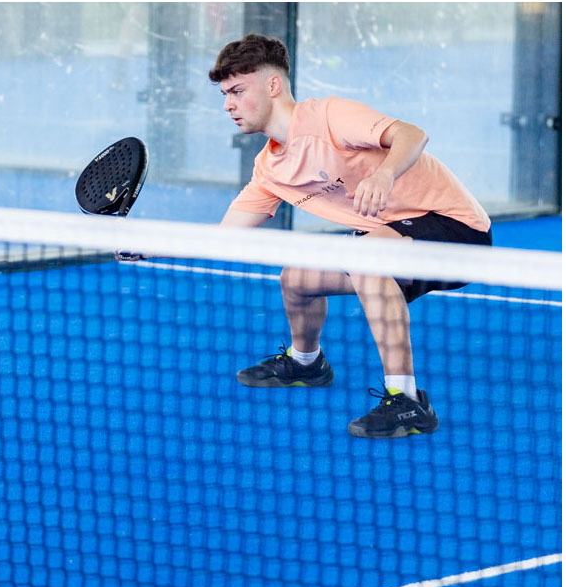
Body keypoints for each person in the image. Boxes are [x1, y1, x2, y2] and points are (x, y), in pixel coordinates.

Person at [208, 33, 492, 438]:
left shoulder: (329, 116)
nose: (228, 105)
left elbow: (412, 134)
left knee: (365, 258)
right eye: (224, 95)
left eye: (237, 91)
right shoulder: (269, 170)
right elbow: (222, 238)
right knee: (297, 278)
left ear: (272, 85)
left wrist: (384, 174)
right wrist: (146, 247)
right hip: (390, 239)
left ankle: (408, 402)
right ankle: (307, 363)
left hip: (456, 229)